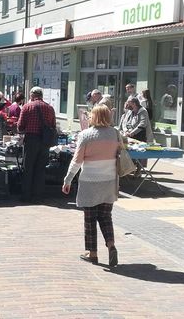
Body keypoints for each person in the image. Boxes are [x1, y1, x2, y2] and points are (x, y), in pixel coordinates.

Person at [61, 105, 119, 267]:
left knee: (90, 219)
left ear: (94, 116)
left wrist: (68, 179)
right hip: (109, 181)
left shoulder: (86, 135)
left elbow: (77, 161)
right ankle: (111, 245)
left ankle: (92, 253)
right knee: (106, 217)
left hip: (90, 182)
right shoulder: (114, 134)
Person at [17, 86, 56, 203]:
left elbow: (20, 126)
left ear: (32, 95)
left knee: (28, 168)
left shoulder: (27, 107)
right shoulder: (50, 108)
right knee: (40, 168)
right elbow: (53, 125)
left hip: (31, 139)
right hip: (45, 141)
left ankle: (26, 195)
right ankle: (38, 196)